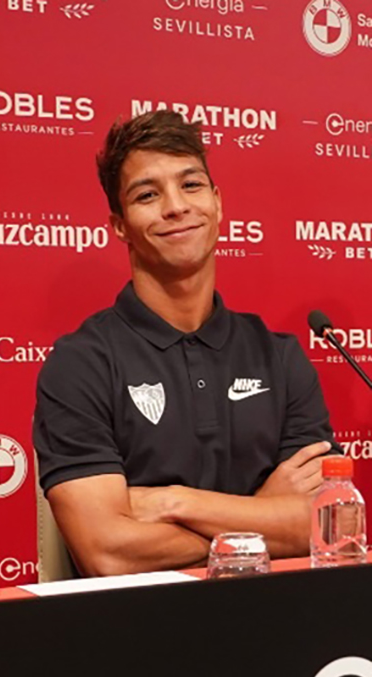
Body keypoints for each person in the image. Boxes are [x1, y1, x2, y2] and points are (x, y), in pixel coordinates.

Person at [33, 110, 339, 577]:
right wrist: (262, 513)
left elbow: (321, 528)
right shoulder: (81, 364)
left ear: (217, 202)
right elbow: (108, 553)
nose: (176, 206)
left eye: (191, 185)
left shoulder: (280, 357)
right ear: (119, 225)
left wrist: (171, 502)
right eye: (148, 194)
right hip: (135, 637)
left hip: (278, 626)